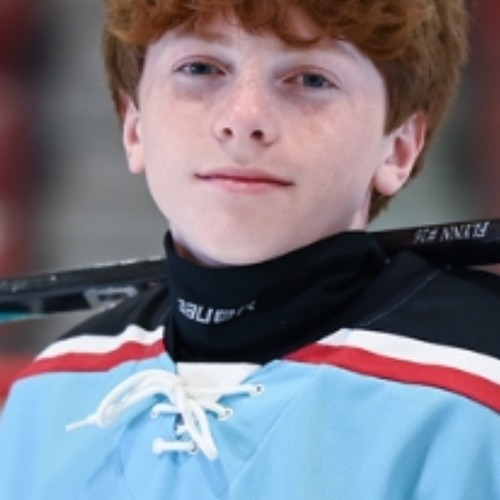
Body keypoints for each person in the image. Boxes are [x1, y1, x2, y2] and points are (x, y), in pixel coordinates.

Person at [1, 0, 499, 498]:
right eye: (200, 69)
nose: (243, 119)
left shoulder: (480, 394)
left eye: (311, 79)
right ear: (134, 128)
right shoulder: (47, 400)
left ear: (399, 148)